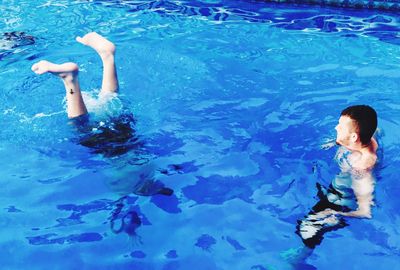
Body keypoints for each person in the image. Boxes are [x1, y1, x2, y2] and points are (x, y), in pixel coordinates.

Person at [297, 105, 378, 248]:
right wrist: (337, 141)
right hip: (335, 191)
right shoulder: (370, 138)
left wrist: (333, 213)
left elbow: (365, 212)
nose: (336, 128)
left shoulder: (362, 168)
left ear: (354, 137)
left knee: (306, 230)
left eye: (340, 126)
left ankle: (295, 261)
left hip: (340, 204)